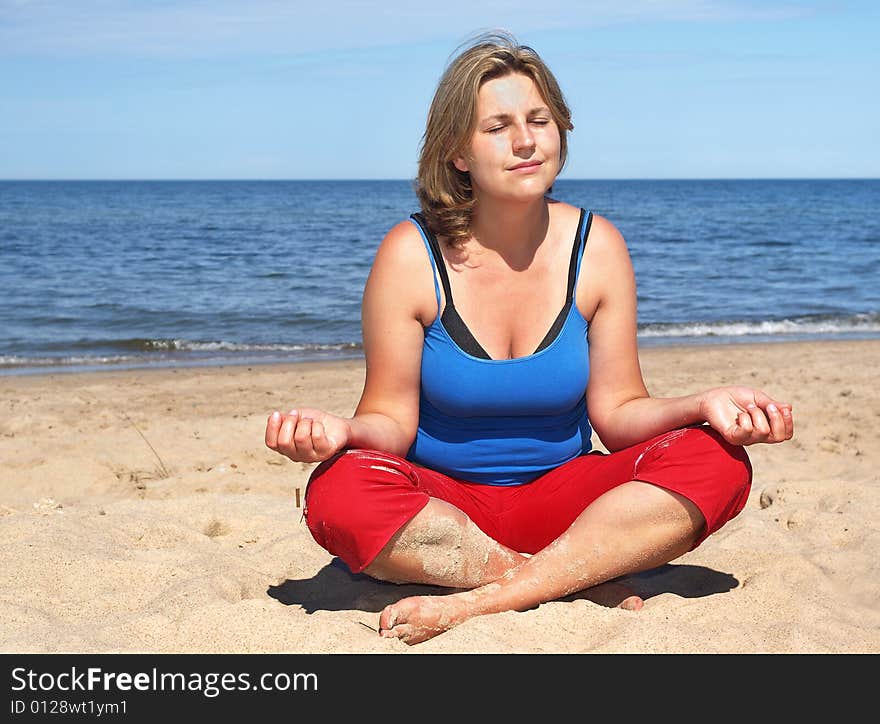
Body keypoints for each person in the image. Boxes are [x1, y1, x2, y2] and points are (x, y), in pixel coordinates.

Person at [264, 30, 794, 645]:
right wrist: (342, 433)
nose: (525, 141)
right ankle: (565, 578)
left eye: (539, 121)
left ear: (560, 133)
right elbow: (390, 421)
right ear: (457, 152)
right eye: (497, 127)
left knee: (714, 459)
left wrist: (703, 404)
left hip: (568, 504)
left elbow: (619, 414)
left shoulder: (598, 248)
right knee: (337, 489)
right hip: (445, 511)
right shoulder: (410, 255)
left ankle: (485, 597)